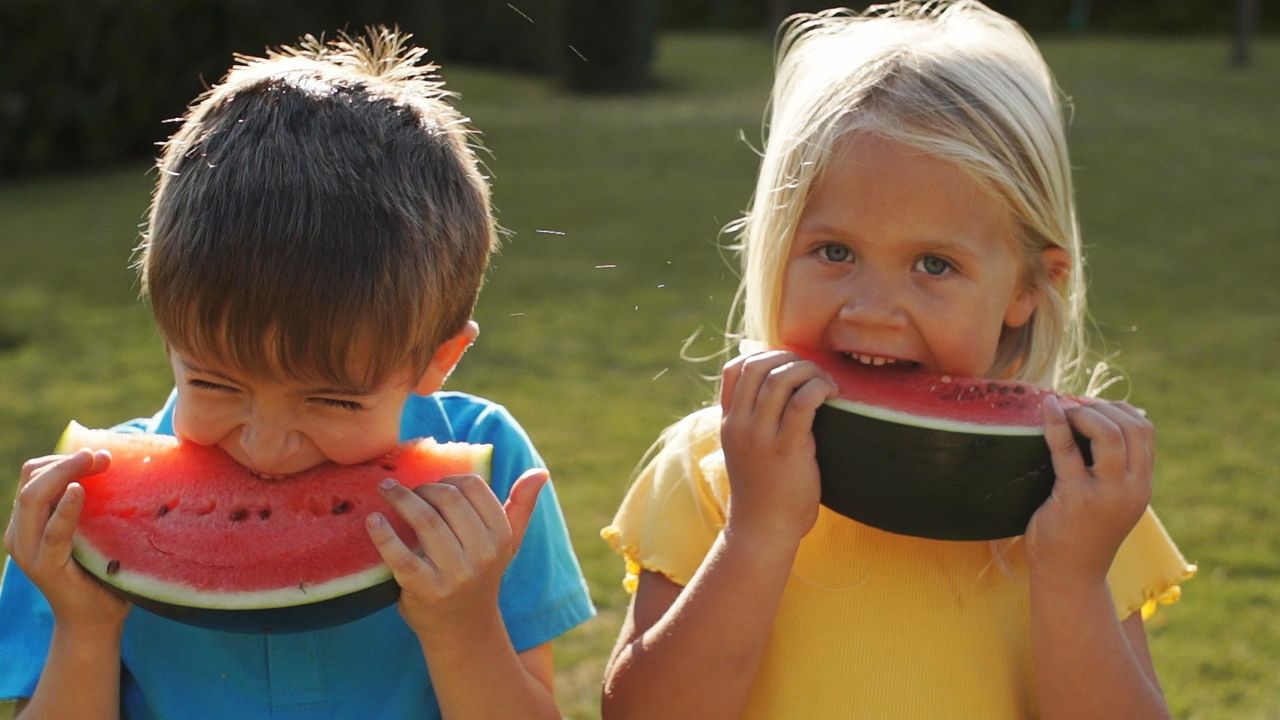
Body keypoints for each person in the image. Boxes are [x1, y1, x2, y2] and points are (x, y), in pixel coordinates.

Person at [599, 3, 1194, 718]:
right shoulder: (715, 466)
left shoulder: (1078, 497)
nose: (872, 310)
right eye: (835, 252)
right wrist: (755, 533)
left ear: (1030, 288)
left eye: (934, 264)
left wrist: (1071, 576)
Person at [1, 28, 594, 719]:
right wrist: (84, 624)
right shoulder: (89, 505)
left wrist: (462, 624)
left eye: (334, 402)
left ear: (438, 359)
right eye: (217, 384)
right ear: (169, 338)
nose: (267, 445)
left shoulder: (486, 476)